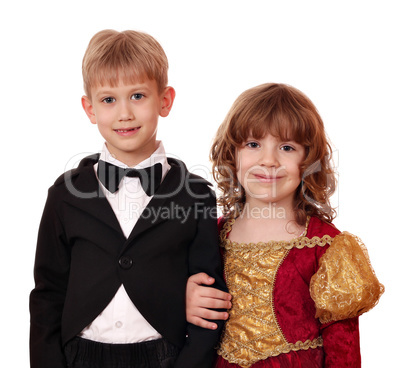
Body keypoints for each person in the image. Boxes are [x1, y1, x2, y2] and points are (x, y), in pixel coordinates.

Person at [29, 29, 227, 368]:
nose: (124, 113)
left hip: (165, 355)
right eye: (109, 100)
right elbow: (48, 294)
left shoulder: (196, 196)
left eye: (138, 96)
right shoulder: (64, 195)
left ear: (164, 100)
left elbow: (210, 299)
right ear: (89, 108)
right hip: (81, 356)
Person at [186, 83, 384, 367]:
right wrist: (186, 300)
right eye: (253, 144)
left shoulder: (327, 246)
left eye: (287, 147)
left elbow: (344, 349)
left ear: (308, 161)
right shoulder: (209, 236)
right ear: (232, 155)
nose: (269, 160)